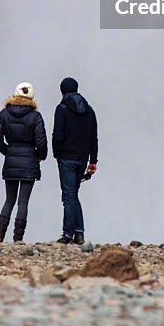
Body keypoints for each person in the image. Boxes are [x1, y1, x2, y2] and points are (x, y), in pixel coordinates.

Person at [0, 81, 48, 243]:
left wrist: (8, 152)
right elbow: (41, 141)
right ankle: (18, 239)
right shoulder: (36, 116)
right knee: (23, 202)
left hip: (11, 161)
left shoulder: (4, 114)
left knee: (9, 200)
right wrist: (39, 156)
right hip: (30, 161)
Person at [52, 77, 98, 244]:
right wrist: (93, 161)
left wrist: (56, 153)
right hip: (82, 158)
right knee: (74, 194)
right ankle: (79, 233)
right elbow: (94, 137)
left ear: (62, 91)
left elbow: (58, 134)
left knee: (68, 196)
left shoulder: (62, 109)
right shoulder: (89, 110)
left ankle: (67, 234)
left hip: (66, 158)